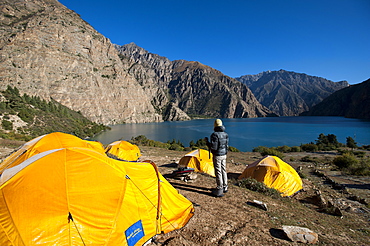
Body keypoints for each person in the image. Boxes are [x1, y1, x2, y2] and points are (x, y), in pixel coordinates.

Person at [205, 119, 229, 197]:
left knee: (218, 171)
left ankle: (219, 189)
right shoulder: (225, 134)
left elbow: (214, 147)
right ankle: (225, 186)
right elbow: (226, 145)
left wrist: (207, 143)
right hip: (224, 155)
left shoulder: (214, 135)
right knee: (223, 170)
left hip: (217, 155)